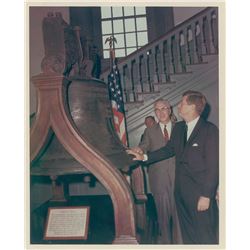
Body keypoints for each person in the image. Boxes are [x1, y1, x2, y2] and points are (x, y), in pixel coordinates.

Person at [127, 90, 219, 244]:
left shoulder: (209, 130)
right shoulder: (180, 128)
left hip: (199, 195)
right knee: (188, 235)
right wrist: (144, 157)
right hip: (180, 193)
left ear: (191, 107)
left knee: (204, 235)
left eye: (182, 103)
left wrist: (206, 195)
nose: (179, 105)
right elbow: (168, 150)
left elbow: (213, 166)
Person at [135, 99, 182, 244]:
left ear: (170, 110)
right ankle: (166, 244)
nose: (160, 112)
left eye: (163, 108)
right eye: (157, 110)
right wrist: (139, 150)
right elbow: (144, 145)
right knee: (163, 216)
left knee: (179, 215)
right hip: (159, 179)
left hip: (179, 177)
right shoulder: (149, 131)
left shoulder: (180, 128)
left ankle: (181, 244)